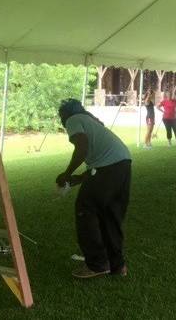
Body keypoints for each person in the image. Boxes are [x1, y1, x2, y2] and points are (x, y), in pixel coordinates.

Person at [56, 99, 131, 279]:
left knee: (85, 210)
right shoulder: (90, 120)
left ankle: (97, 264)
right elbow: (99, 161)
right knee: (110, 216)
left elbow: (82, 148)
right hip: (123, 164)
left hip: (108, 168)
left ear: (64, 115)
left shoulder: (73, 120)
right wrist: (79, 178)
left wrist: (67, 174)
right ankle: (117, 265)